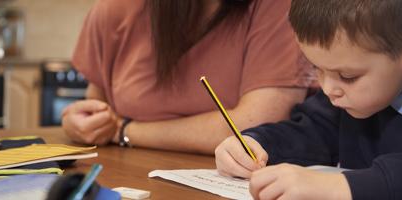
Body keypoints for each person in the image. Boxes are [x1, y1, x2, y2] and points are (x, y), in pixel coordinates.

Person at [215, 0, 402, 199]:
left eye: (347, 76)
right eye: (317, 68)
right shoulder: (347, 93)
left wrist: (343, 188)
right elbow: (310, 133)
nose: (328, 88)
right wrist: (254, 145)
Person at [62, 0, 316, 154]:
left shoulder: (278, 7)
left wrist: (125, 131)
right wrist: (85, 124)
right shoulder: (114, 9)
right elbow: (98, 107)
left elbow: (257, 124)